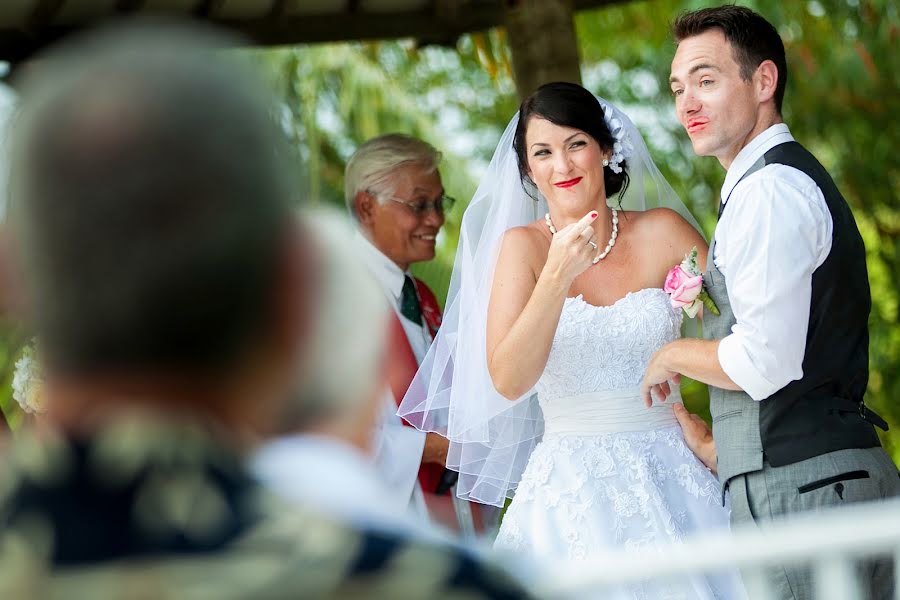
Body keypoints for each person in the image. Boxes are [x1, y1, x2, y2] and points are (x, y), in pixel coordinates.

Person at [0, 22, 531, 600]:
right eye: (419, 204)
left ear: (12, 275)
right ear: (289, 287)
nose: (434, 219)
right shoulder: (423, 584)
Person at [400, 81, 745, 598]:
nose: (562, 165)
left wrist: (721, 438)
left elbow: (746, 339)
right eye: (542, 152)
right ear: (527, 170)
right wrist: (556, 274)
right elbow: (508, 380)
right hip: (572, 494)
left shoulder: (665, 232)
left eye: (576, 144)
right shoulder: (521, 249)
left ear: (605, 149)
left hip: (678, 469)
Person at [643, 5, 900, 599]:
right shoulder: (774, 185)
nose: (687, 104)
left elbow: (764, 363)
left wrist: (672, 353)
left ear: (763, 82)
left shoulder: (768, 194)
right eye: (679, 88)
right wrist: (723, 448)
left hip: (805, 495)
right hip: (825, 482)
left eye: (706, 80)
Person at [346, 133, 489, 537]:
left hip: (443, 514)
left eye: (439, 202)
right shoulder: (332, 295)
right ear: (367, 206)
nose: (436, 219)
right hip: (385, 524)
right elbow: (313, 433)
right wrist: (429, 449)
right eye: (419, 204)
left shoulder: (421, 296)